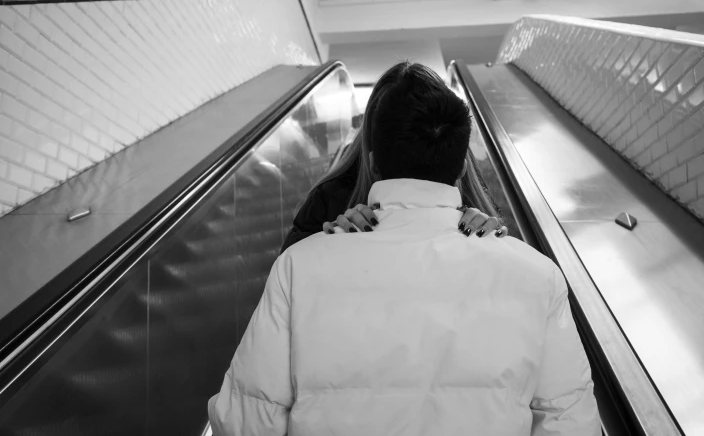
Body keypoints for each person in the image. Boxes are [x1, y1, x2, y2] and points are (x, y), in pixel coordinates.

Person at [208, 62, 601, 436]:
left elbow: (249, 418)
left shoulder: (300, 266)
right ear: (462, 163)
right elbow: (568, 418)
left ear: (374, 155)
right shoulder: (537, 274)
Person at [279, 62, 508, 253]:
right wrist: (328, 238)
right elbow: (292, 276)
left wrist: (489, 229)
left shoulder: (470, 190)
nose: (414, 139)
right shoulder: (332, 196)